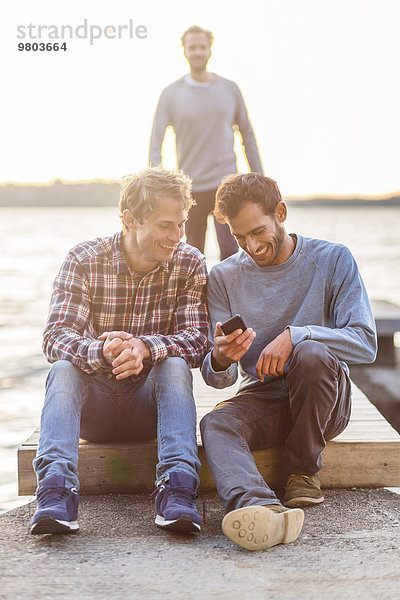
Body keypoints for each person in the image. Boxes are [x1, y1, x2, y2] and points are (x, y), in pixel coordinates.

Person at [200, 172, 377, 551]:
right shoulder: (222, 277)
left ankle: (303, 471)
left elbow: (365, 345)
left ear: (280, 212)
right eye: (239, 236)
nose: (251, 245)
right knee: (215, 422)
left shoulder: (332, 259)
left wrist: (299, 334)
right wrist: (219, 358)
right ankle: (260, 507)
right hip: (265, 399)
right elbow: (220, 381)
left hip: (322, 398)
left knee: (311, 354)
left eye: (258, 231)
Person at [30, 168, 209, 536]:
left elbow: (198, 339)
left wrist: (145, 347)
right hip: (94, 413)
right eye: (165, 225)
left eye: (181, 225)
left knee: (175, 364)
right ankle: (56, 493)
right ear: (130, 219)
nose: (176, 237)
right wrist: (103, 351)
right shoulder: (84, 259)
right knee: (63, 369)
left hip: (150, 410)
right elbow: (54, 337)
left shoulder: (190, 263)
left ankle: (178, 490)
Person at [149, 25, 264, 261]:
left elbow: (248, 136)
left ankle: (231, 298)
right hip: (189, 189)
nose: (198, 52)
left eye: (202, 47)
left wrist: (260, 180)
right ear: (184, 51)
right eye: (193, 47)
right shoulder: (170, 94)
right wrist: (156, 187)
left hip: (227, 186)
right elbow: (155, 143)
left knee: (233, 254)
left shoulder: (230, 89)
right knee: (192, 255)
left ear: (210, 49)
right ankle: (195, 299)